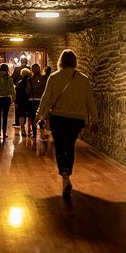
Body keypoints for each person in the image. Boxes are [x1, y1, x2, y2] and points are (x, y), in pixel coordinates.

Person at [36, 50, 98, 200]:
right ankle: (67, 174)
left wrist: (40, 115)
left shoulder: (55, 77)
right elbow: (90, 101)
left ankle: (65, 176)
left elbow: (46, 98)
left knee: (60, 146)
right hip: (76, 120)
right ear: (75, 61)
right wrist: (94, 120)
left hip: (59, 118)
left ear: (61, 61)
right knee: (69, 146)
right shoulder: (83, 80)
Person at [0, 63, 15, 139]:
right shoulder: (9, 78)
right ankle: (4, 132)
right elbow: (12, 89)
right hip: (6, 98)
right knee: (5, 116)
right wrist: (14, 98)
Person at [25, 63, 46, 138]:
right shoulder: (44, 78)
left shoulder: (30, 79)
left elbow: (27, 91)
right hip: (41, 100)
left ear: (32, 70)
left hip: (32, 100)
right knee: (41, 115)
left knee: (33, 117)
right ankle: (42, 129)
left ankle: (34, 134)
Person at [11, 57, 30, 126]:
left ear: (21, 61)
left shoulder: (17, 69)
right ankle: (28, 124)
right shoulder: (29, 69)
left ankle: (18, 122)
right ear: (27, 62)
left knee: (19, 107)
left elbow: (12, 78)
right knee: (28, 108)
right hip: (28, 92)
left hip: (19, 90)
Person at [15, 68, 32, 135]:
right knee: (29, 115)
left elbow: (17, 93)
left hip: (21, 101)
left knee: (21, 115)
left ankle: (22, 128)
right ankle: (29, 128)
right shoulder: (31, 82)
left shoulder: (19, 83)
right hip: (29, 100)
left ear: (22, 74)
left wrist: (16, 101)